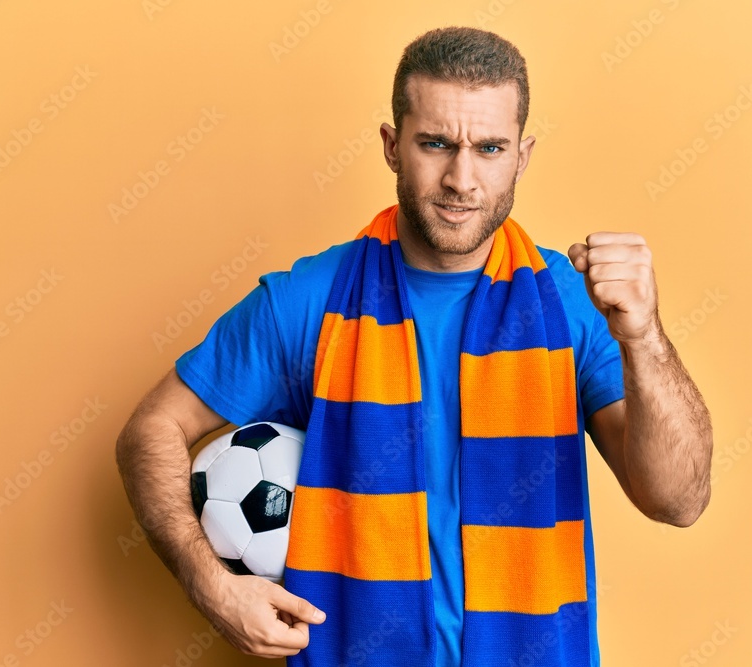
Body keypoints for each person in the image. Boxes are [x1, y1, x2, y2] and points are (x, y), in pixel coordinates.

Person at [115, 26, 712, 667]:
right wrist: (212, 587)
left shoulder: (569, 301)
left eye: (489, 148)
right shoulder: (309, 299)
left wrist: (644, 336)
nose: (462, 178)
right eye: (435, 144)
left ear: (523, 155)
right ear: (392, 146)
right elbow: (151, 430)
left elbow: (678, 500)